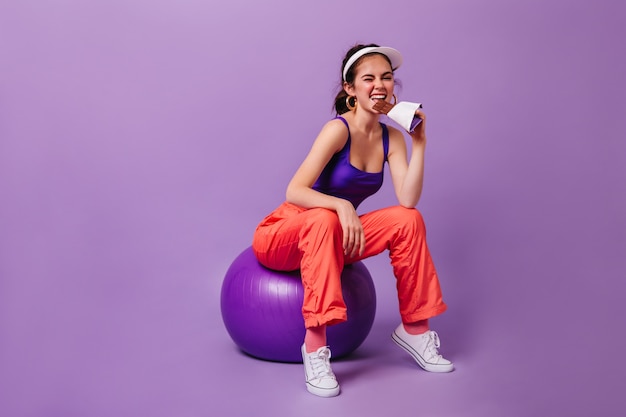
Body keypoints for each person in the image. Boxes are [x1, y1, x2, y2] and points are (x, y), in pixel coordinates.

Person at [251, 43, 453, 398]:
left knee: (409, 219)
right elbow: (294, 190)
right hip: (284, 234)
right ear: (351, 89)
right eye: (369, 78)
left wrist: (419, 142)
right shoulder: (337, 130)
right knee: (324, 220)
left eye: (387, 78)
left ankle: (416, 331)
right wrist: (342, 207)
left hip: (331, 238)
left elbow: (407, 199)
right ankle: (314, 349)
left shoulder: (392, 139)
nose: (380, 85)